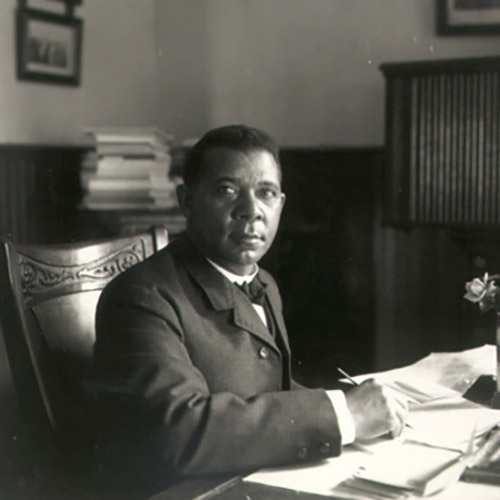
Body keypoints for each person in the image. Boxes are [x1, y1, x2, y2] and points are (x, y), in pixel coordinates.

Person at [91, 124, 408, 497]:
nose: (251, 211)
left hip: (258, 480)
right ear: (187, 201)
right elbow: (178, 430)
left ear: (281, 205)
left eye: (266, 193)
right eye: (226, 191)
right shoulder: (142, 295)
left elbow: (269, 387)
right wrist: (342, 415)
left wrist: (355, 406)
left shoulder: (264, 283)